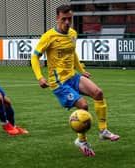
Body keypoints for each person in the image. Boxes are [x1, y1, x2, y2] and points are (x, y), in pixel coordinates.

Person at [31, 4, 120, 157]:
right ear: (57, 18)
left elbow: (73, 54)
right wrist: (40, 77)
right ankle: (82, 141)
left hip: (73, 76)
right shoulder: (48, 36)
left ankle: (103, 130)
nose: (67, 22)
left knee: (98, 93)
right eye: (64, 19)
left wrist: (81, 70)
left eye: (70, 19)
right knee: (83, 106)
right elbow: (34, 57)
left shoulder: (73, 33)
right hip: (59, 82)